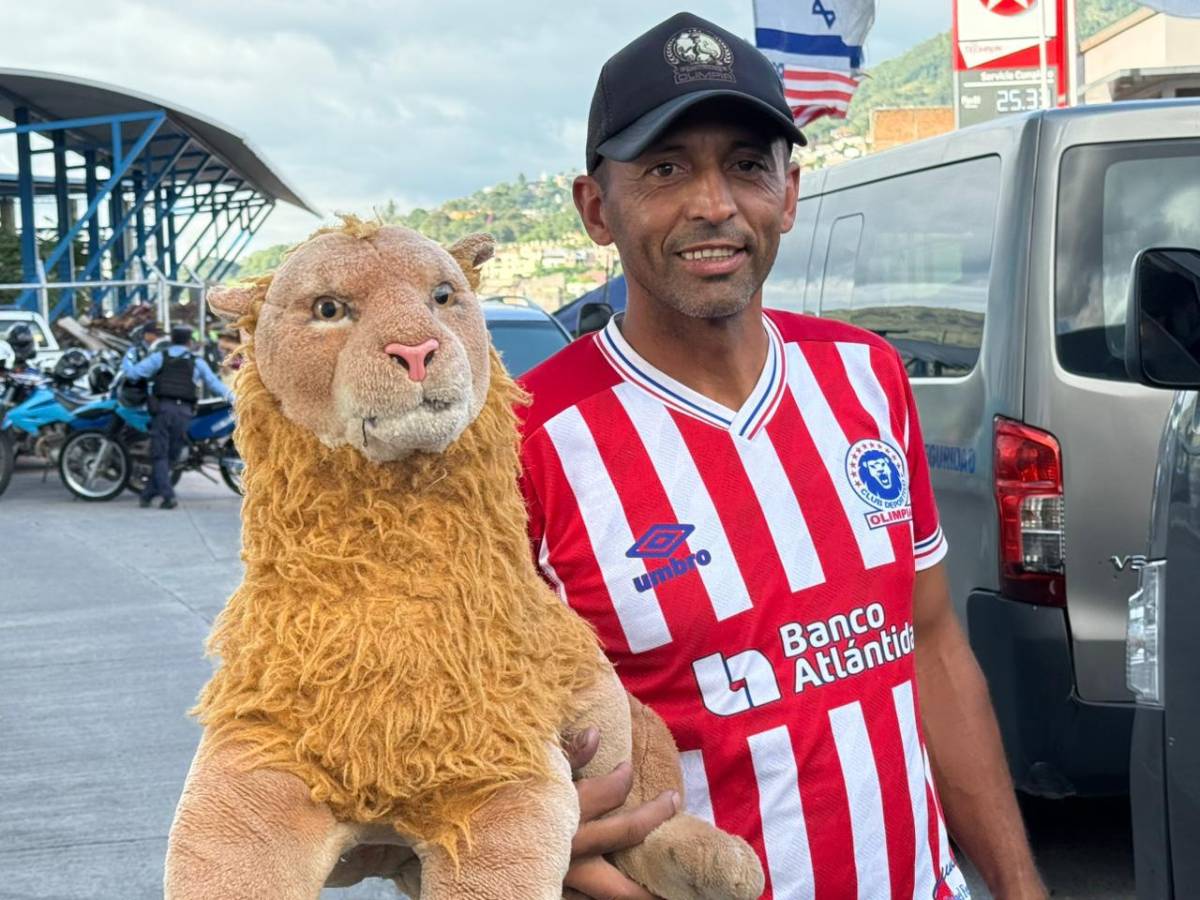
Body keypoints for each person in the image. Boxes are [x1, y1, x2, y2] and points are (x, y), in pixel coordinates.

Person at [333, 13, 1047, 899]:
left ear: (789, 192)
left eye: (746, 164)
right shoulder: (518, 446)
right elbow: (425, 745)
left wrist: (1020, 886)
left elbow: (930, 644)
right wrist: (521, 838)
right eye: (666, 169)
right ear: (596, 209)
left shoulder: (867, 376)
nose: (714, 203)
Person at [122, 323, 233, 509]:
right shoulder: (196, 362)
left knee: (160, 456)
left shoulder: (159, 357)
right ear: (189, 342)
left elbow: (133, 374)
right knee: (172, 457)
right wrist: (237, 399)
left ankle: (167, 496)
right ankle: (148, 495)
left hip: (163, 411)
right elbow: (215, 385)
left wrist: (128, 357)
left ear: (171, 340)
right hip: (184, 414)